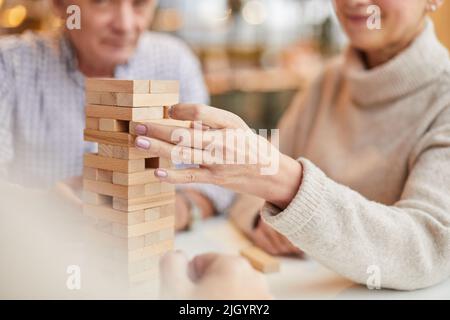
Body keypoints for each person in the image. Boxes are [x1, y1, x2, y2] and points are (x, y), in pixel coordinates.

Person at [133, 0, 450, 295]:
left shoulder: (442, 99)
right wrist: (262, 220)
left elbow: (430, 247)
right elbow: (247, 192)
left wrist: (288, 186)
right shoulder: (327, 82)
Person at [0, 0, 233, 230]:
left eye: (140, 3)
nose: (125, 25)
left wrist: (177, 210)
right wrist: (36, 207)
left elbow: (217, 178)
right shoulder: (10, 66)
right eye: (102, 2)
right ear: (60, 5)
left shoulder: (175, 63)